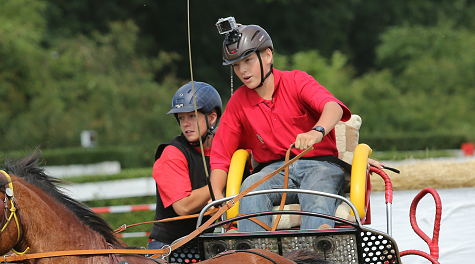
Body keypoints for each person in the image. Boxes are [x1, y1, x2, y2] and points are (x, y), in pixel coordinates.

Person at [209, 21, 351, 233]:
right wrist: (217, 196)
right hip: (274, 172)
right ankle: (257, 261)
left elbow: (333, 108)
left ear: (268, 56)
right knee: (249, 189)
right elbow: (221, 156)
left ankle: (312, 263)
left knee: (316, 196)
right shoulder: (238, 102)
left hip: (320, 165)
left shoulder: (296, 80)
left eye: (247, 60)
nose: (243, 71)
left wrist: (317, 131)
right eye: (236, 65)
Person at [148, 81, 224, 250]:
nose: (185, 123)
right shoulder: (172, 153)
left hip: (206, 246)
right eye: (181, 118)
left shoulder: (224, 150)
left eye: (192, 116)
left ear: (211, 117)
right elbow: (183, 206)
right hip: (169, 247)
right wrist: (219, 184)